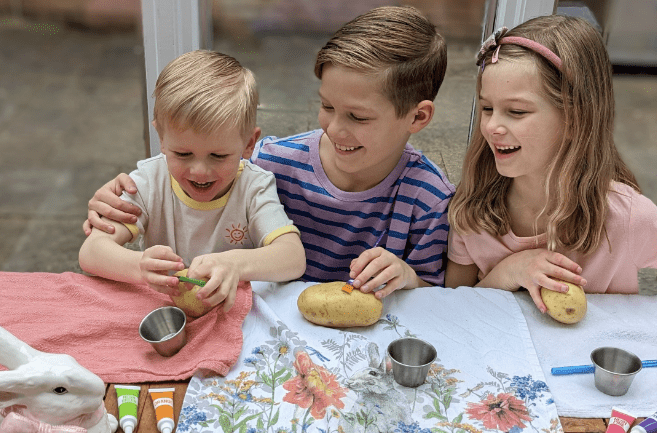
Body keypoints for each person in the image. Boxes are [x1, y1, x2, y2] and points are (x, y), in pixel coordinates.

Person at [82, 6, 454, 299]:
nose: (335, 128)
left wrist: (407, 278)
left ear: (417, 116)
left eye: (357, 116)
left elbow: (436, 297)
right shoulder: (266, 161)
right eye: (327, 106)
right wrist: (109, 203)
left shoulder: (430, 198)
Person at [445, 15, 657, 371]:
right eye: (487, 108)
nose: (491, 126)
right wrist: (507, 272)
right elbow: (453, 306)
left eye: (516, 111)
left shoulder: (625, 216)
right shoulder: (474, 207)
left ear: (575, 119)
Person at [79, 50, 306, 312]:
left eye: (218, 156)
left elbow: (293, 257)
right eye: (183, 154)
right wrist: (139, 266)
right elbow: (92, 251)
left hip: (233, 314)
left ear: (248, 145)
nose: (199, 171)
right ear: (161, 139)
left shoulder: (254, 187)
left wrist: (235, 264)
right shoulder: (147, 182)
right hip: (165, 313)